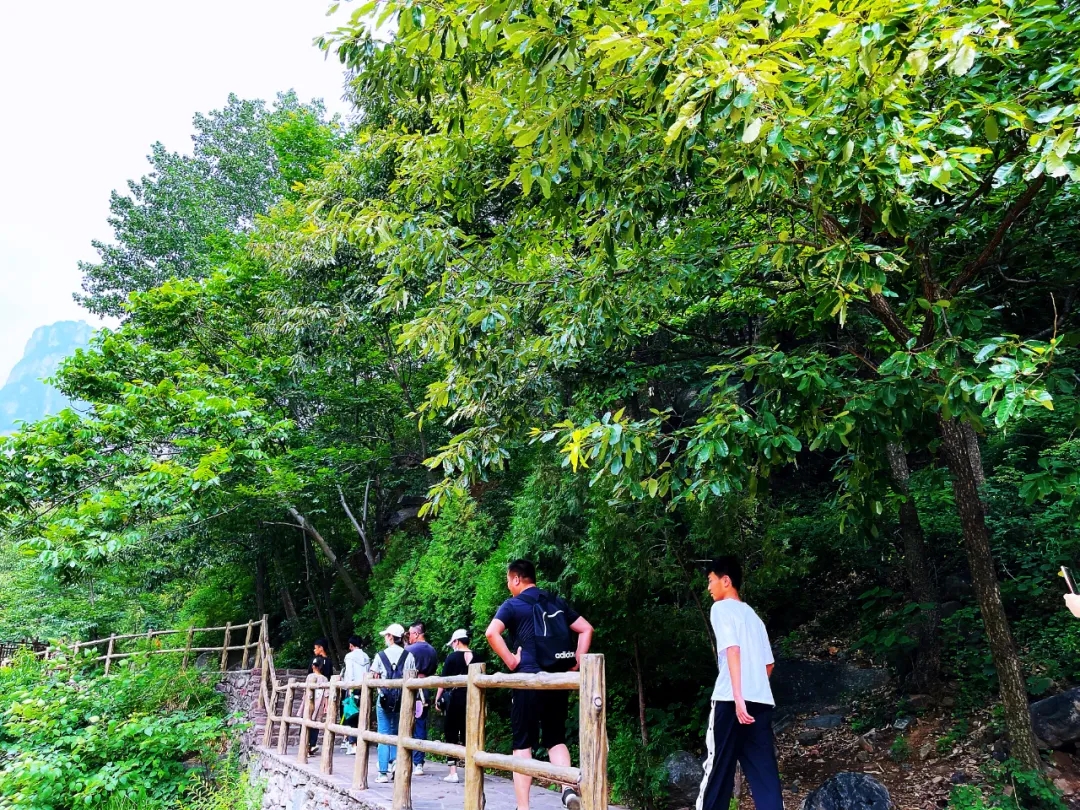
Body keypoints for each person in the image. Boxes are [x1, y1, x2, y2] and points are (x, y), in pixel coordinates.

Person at [486, 559, 594, 810]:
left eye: (508, 581)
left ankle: (523, 807)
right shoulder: (554, 601)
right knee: (555, 739)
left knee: (522, 744)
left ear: (516, 579)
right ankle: (567, 789)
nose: (508, 587)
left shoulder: (513, 605)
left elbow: (492, 633)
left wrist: (512, 661)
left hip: (528, 681)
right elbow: (586, 629)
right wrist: (576, 662)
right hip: (556, 681)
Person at [696, 556, 783, 810]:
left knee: (718, 769)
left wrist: (738, 697)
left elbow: (732, 649)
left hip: (730, 701)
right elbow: (769, 664)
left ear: (726, 581)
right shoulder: (754, 618)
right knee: (764, 774)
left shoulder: (721, 609)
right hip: (760, 702)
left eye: (711, 581)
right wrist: (751, 690)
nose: (709, 587)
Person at [370, 623, 416, 783]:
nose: (385, 638)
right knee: (397, 732)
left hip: (384, 698)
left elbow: (373, 675)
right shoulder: (408, 656)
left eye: (386, 636)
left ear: (390, 637)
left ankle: (383, 772)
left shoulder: (380, 655)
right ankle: (396, 762)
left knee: (383, 732)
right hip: (402, 699)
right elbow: (412, 677)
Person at [436, 629, 476, 783]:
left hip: (455, 698)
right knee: (470, 733)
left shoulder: (452, 657)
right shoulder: (478, 657)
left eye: (453, 642)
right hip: (473, 699)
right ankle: (471, 770)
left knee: (451, 732)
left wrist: (438, 698)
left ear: (457, 641)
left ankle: (453, 771)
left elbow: (443, 680)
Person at [405, 621, 439, 775]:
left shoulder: (409, 650)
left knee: (407, 723)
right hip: (425, 688)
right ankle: (419, 762)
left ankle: (409, 758)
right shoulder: (432, 650)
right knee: (421, 724)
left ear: (417, 633)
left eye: (410, 633)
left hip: (411, 688)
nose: (409, 636)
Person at [341, 635, 371, 755]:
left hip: (353, 688)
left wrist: (347, 688)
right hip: (364, 688)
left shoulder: (349, 657)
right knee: (362, 716)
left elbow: (350, 674)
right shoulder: (366, 657)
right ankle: (361, 742)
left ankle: (353, 744)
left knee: (350, 714)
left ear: (351, 645)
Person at [306, 639, 334, 756]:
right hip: (321, 693)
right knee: (314, 718)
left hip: (318, 693)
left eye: (315, 647)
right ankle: (310, 744)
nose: (314, 650)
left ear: (321, 648)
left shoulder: (319, 661)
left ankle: (310, 744)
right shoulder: (328, 661)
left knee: (313, 718)